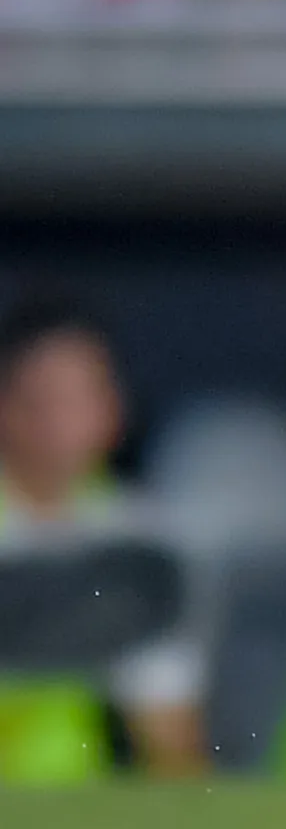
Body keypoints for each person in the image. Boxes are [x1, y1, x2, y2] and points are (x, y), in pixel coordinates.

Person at [0, 299, 204, 782]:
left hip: (78, 799)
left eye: (86, 393)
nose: (66, 418)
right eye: (48, 395)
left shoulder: (139, 536)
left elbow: (170, 737)